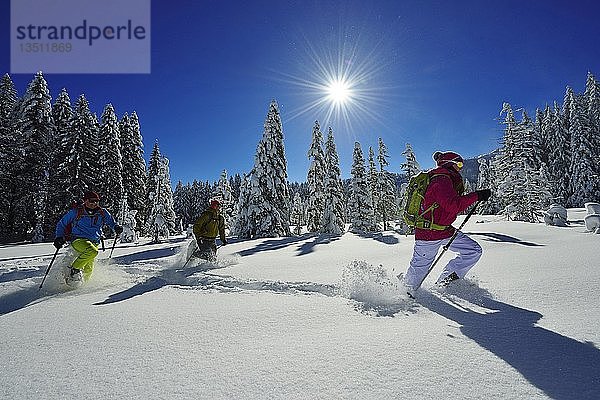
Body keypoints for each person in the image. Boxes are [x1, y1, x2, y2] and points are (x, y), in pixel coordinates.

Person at [403, 151, 491, 297]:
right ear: (449, 164)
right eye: (459, 164)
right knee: (419, 269)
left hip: (444, 230)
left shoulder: (446, 178)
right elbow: (452, 205)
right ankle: (404, 296)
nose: (461, 168)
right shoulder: (441, 180)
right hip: (428, 233)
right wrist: (477, 195)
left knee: (473, 251)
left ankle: (446, 282)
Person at [54, 191, 123, 285]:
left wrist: (116, 227)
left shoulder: (102, 212)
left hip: (94, 242)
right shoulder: (76, 212)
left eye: (97, 201)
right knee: (92, 251)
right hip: (78, 240)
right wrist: (59, 237)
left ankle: (80, 288)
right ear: (85, 201)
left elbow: (111, 222)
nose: (95, 203)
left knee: (89, 270)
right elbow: (61, 224)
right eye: (92, 201)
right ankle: (74, 271)